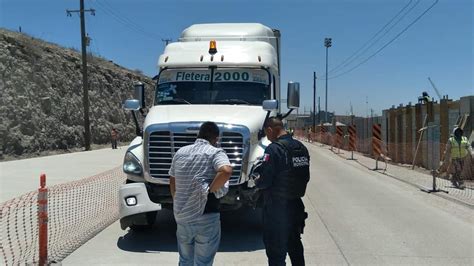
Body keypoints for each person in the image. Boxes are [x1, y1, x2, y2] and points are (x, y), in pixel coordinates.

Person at [169, 121, 233, 266]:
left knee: (185, 260)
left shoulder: (180, 153)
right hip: (206, 215)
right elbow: (226, 170)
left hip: (182, 216)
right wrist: (210, 189)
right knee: (203, 262)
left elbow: (172, 181)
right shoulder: (215, 152)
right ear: (216, 138)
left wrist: (178, 200)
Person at [256, 116, 310, 266]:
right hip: (296, 205)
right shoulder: (301, 147)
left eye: (267, 134)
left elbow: (264, 181)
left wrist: (256, 180)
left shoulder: (274, 149)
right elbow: (305, 177)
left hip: (277, 208)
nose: (268, 137)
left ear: (270, 130)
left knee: (276, 252)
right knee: (295, 246)